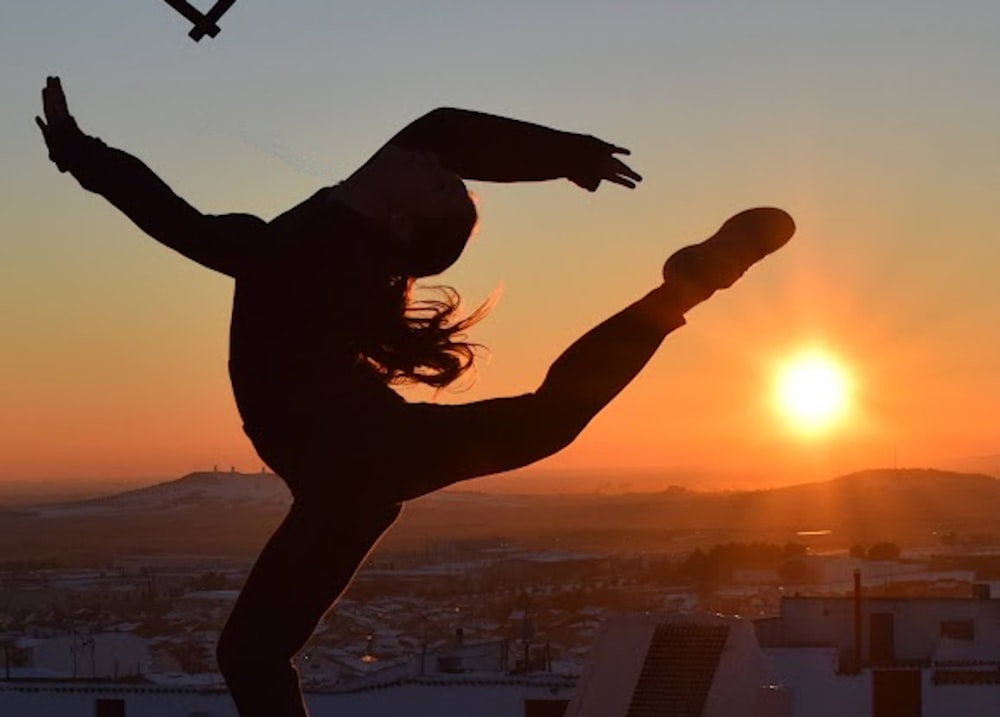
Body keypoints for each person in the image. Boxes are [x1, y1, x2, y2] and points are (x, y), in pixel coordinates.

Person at [37, 75, 794, 717]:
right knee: (250, 654)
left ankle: (684, 287)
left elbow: (178, 223)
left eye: (440, 182)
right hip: (349, 473)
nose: (437, 164)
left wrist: (83, 157)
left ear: (398, 222)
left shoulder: (312, 252)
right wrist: (564, 154)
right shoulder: (380, 186)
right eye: (445, 177)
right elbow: (450, 130)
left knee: (251, 655)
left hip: (355, 458)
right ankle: (682, 290)